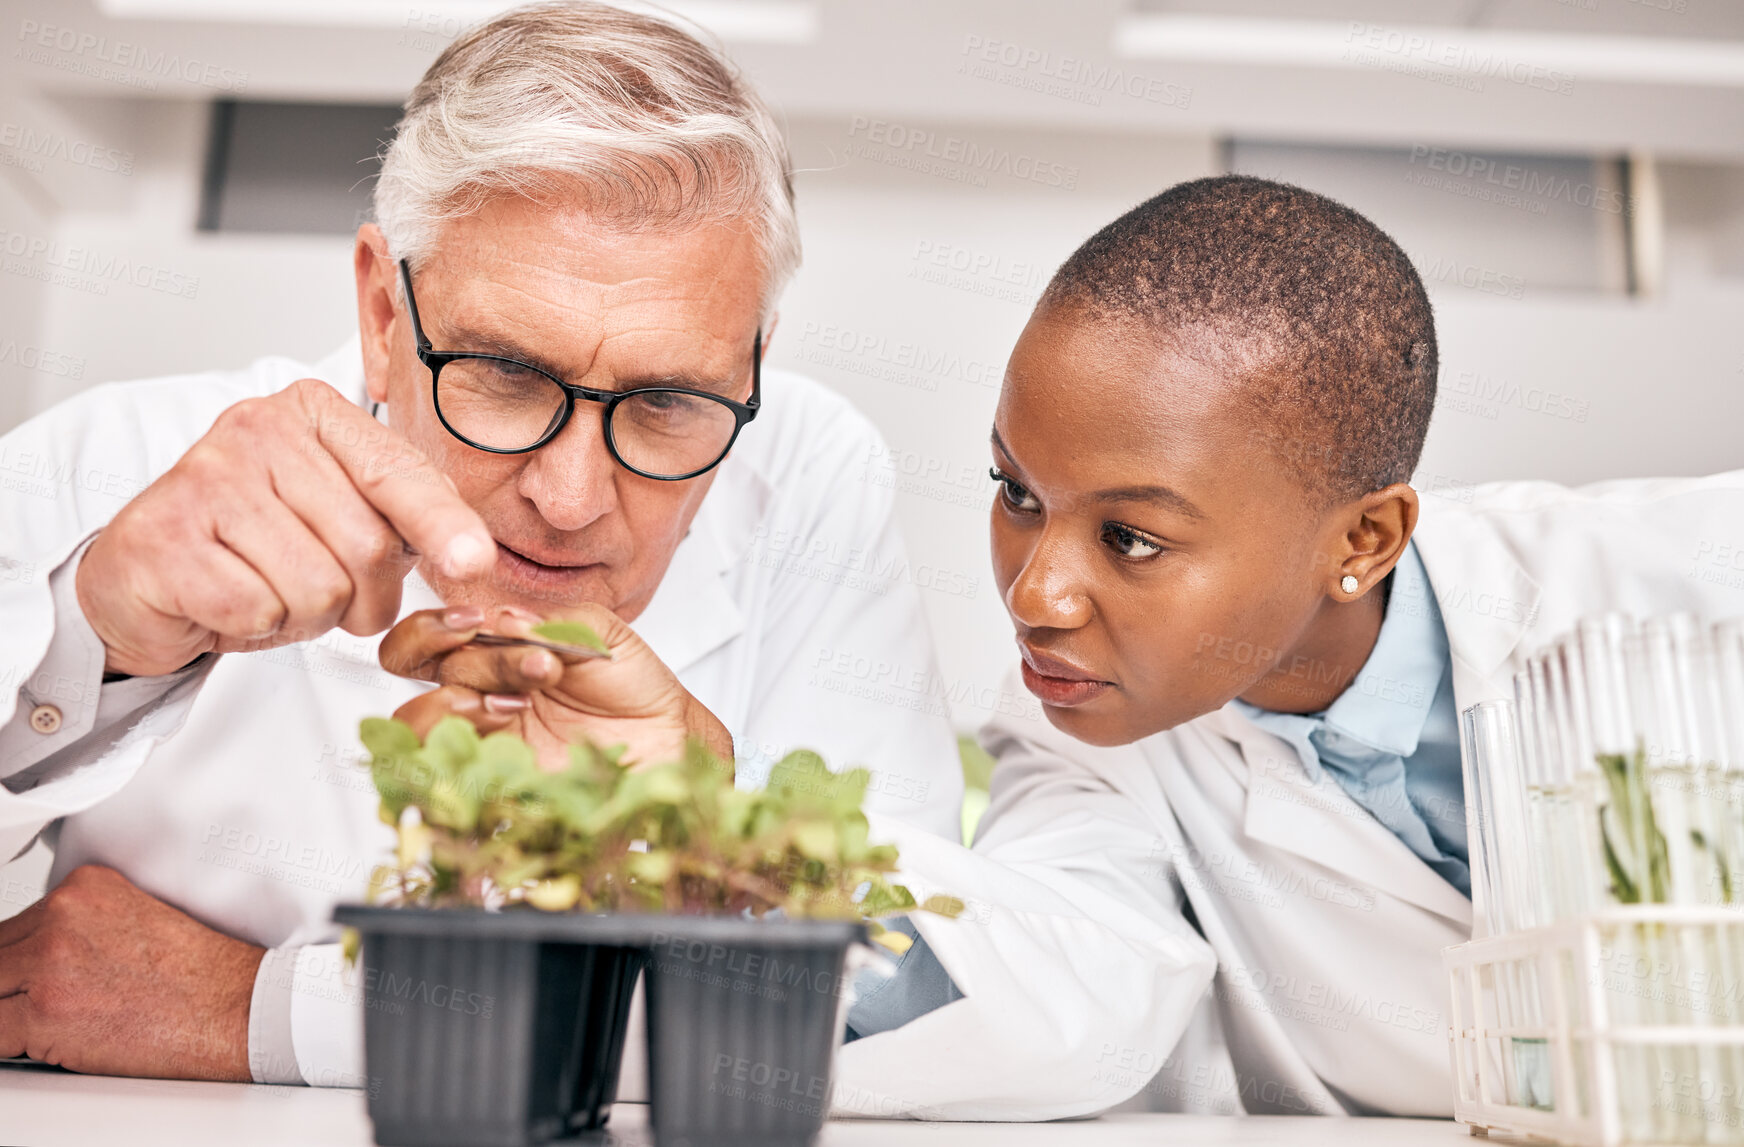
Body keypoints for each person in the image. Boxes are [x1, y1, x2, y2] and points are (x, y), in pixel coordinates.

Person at [0, 2, 965, 1086]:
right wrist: (83, 643)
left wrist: (262, 1008)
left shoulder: (810, 474)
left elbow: (920, 998)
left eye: (664, 402)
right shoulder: (117, 460)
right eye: (505, 375)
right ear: (380, 311)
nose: (568, 496)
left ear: (754, 362)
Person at [834, 174, 1744, 1118]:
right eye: (1018, 492)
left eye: (1132, 538)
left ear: (1364, 541)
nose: (1036, 595)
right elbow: (1060, 985)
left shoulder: (1690, 573)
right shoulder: (1078, 723)